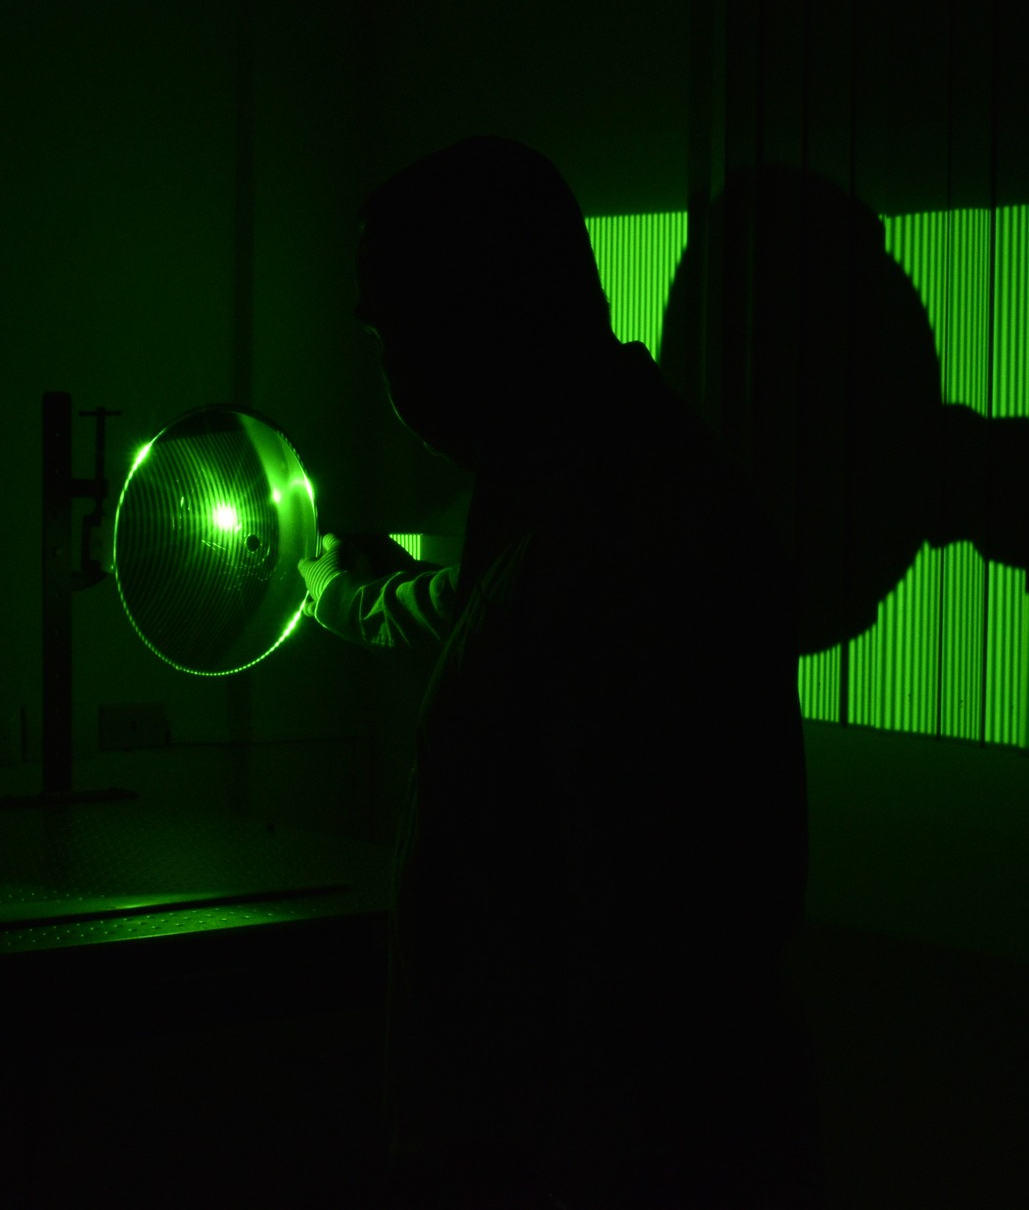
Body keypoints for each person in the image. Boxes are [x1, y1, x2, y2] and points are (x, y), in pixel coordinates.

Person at [298, 138, 821, 1208]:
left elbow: (645, 950)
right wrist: (346, 592)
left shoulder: (632, 535)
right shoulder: (593, 487)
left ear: (479, 315)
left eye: (394, 329)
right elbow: (484, 613)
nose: (393, 373)